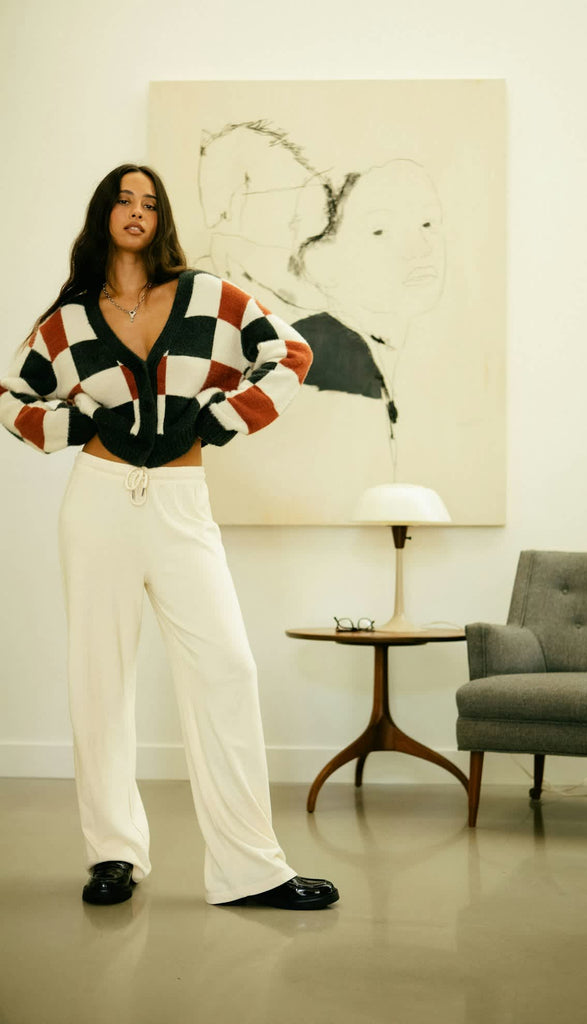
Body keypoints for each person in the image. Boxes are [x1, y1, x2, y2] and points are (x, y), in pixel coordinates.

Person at [0, 164, 339, 911]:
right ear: (104, 213)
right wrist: (79, 423)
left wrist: (217, 419)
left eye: (149, 203)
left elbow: (291, 354)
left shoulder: (209, 296)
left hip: (182, 504)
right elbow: (14, 396)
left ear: (162, 220)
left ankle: (252, 869)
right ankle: (112, 854)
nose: (136, 211)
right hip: (97, 502)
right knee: (100, 679)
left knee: (227, 669)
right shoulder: (71, 319)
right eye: (124, 199)